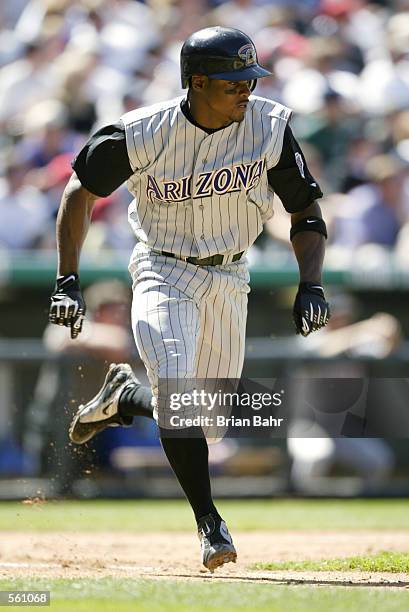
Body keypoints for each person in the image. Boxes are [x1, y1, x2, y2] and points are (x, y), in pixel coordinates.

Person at [48, 26, 329, 572]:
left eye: (250, 80)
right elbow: (79, 191)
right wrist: (67, 279)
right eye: (232, 83)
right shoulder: (141, 132)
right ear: (196, 82)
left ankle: (124, 398)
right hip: (163, 267)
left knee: (210, 422)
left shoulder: (269, 127)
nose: (246, 91)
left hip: (230, 275)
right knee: (177, 389)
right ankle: (209, 523)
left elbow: (306, 211)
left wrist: (311, 282)